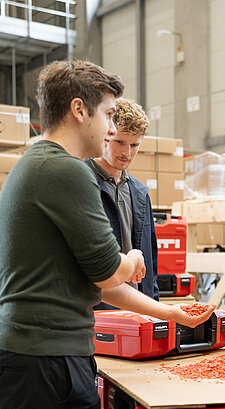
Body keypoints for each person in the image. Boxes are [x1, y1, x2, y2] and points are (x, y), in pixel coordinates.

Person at [0, 60, 213, 409]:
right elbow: (109, 272)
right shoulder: (67, 171)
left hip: (29, 359)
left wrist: (169, 313)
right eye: (108, 115)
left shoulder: (40, 164)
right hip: (43, 362)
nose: (111, 130)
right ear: (78, 110)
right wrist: (133, 259)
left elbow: (97, 284)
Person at [85, 98, 160, 303]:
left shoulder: (140, 193)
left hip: (137, 307)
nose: (127, 153)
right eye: (119, 142)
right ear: (106, 134)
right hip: (98, 308)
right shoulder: (82, 183)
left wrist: (154, 308)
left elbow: (151, 263)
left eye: (134, 145)